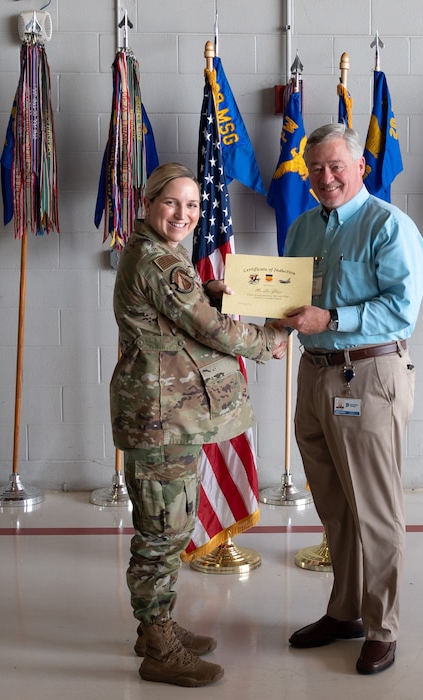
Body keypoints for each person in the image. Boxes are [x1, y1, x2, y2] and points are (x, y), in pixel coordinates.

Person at [110, 163, 288, 687]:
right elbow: (209, 329)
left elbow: (184, 315)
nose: (184, 214)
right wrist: (270, 339)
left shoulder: (161, 257)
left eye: (192, 205)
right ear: (148, 204)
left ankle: (155, 627)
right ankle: (157, 643)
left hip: (169, 414)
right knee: (162, 533)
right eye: (171, 203)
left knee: (172, 524)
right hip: (160, 418)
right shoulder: (159, 263)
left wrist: (206, 291)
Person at [278, 123, 423, 675]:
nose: (325, 178)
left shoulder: (389, 226)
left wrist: (333, 318)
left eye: (336, 166)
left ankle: (383, 627)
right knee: (335, 508)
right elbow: (291, 300)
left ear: (360, 165)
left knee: (376, 511)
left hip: (366, 376)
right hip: (314, 375)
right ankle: (345, 611)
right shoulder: (301, 230)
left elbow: (402, 308)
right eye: (315, 169)